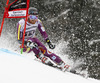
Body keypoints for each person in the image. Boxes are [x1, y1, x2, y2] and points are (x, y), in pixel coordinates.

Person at [17, 7, 71, 72]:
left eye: (36, 17)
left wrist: (49, 42)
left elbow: (43, 33)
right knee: (31, 42)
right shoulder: (21, 23)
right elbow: (19, 39)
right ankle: (40, 56)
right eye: (32, 17)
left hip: (33, 39)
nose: (34, 20)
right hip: (24, 45)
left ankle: (62, 64)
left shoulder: (38, 22)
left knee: (46, 51)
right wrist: (26, 43)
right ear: (28, 16)